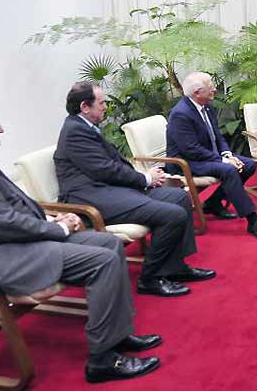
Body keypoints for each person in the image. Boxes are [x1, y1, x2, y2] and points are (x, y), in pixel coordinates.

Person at [0, 105, 161, 383]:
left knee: (108, 244)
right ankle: (102, 360)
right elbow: (5, 224)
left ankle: (118, 333)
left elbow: (11, 210)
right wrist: (59, 227)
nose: (1, 129)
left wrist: (52, 217)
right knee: (101, 261)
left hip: (12, 244)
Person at [54, 81, 215, 297]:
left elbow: (110, 167)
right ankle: (150, 278)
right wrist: (145, 178)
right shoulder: (75, 131)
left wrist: (145, 179)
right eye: (101, 103)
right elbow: (105, 170)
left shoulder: (84, 126)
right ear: (85, 106)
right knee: (172, 215)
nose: (105, 107)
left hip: (111, 189)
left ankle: (175, 267)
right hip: (93, 199)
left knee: (178, 197)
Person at [166, 72, 257, 241]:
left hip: (207, 156)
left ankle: (213, 203)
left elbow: (217, 136)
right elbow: (191, 150)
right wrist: (224, 160)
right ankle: (253, 220)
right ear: (197, 93)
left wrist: (226, 154)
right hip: (187, 162)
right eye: (210, 86)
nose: (214, 89)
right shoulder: (180, 114)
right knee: (229, 170)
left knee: (247, 165)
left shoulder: (207, 106)